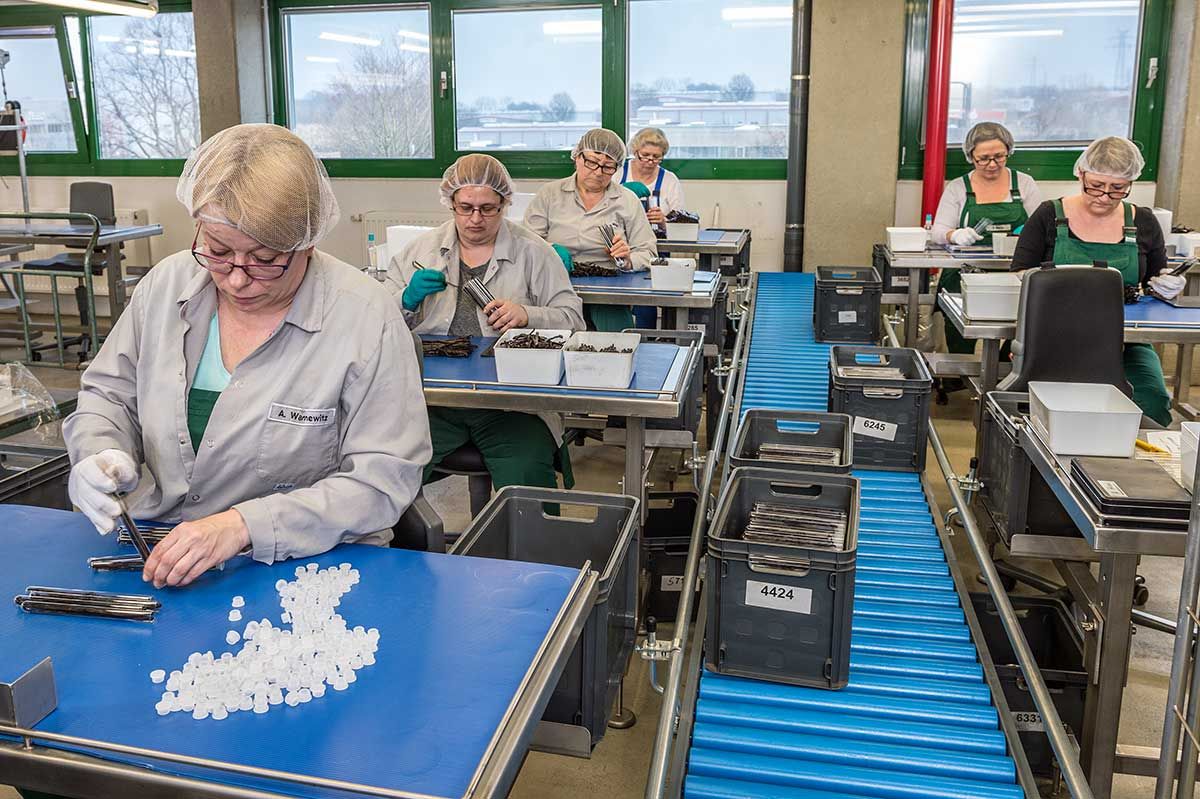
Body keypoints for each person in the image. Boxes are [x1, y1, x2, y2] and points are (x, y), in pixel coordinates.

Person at [62, 124, 431, 590]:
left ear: (307, 242)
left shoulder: (364, 317)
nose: (236, 279)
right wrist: (98, 452)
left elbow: (383, 479)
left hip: (303, 572)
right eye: (218, 252)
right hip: (153, 550)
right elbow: (107, 394)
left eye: (263, 259)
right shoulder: (165, 285)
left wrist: (243, 526)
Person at [386, 153, 585, 491]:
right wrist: (404, 300)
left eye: (487, 209)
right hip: (432, 402)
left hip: (512, 405)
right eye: (465, 207)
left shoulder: (534, 252)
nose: (475, 219)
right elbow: (378, 325)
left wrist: (528, 315)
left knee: (528, 480)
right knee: (386, 471)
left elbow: (574, 322)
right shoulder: (419, 252)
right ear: (450, 203)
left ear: (505, 203)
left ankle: (528, 543)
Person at [1011, 136, 1182, 426]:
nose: (1104, 197)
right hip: (1054, 337)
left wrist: (1166, 284)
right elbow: (1021, 271)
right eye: (1096, 186)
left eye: (1117, 189)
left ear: (1130, 183)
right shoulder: (1049, 215)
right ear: (1080, 174)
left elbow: (1156, 277)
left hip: (1125, 339)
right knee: (1060, 406)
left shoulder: (1143, 222)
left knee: (1151, 399)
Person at [525, 128, 658, 331]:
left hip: (610, 292)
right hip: (554, 286)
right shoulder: (549, 194)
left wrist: (629, 259)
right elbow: (526, 241)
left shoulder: (627, 200)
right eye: (592, 162)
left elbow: (649, 252)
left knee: (616, 349)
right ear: (577, 157)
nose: (597, 172)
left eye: (607, 167)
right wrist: (549, 249)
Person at [931, 122, 1043, 354]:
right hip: (966, 274)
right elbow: (938, 230)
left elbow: (1042, 228)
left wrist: (1027, 234)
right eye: (983, 158)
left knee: (1016, 333)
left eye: (999, 156)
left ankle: (1003, 378)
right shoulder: (958, 188)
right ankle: (956, 384)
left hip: (1014, 273)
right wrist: (955, 235)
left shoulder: (1023, 184)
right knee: (959, 334)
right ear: (971, 156)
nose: (992, 164)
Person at [621, 127, 686, 223]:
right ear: (635, 151)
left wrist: (664, 221)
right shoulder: (618, 172)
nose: (650, 162)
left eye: (656, 157)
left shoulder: (669, 180)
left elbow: (680, 223)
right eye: (645, 155)